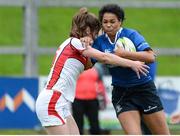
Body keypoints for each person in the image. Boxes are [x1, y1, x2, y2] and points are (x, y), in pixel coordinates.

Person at [35, 7, 149, 135]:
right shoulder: (75, 42)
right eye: (97, 30)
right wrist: (132, 63)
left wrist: (89, 41)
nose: (99, 34)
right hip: (52, 101)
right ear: (89, 30)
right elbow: (105, 57)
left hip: (60, 102)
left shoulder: (78, 45)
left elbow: (92, 61)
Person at [84, 4, 170, 134]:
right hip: (122, 93)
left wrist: (124, 54)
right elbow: (88, 66)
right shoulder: (99, 42)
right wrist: (86, 43)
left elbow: (150, 57)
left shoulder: (131, 34)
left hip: (144, 89)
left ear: (120, 21)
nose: (108, 25)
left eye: (113, 21)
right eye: (105, 22)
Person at [72, 64, 109, 134]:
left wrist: (104, 98)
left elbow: (100, 83)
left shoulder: (97, 68)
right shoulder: (75, 66)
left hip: (93, 100)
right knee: (78, 125)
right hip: (77, 100)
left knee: (95, 125)